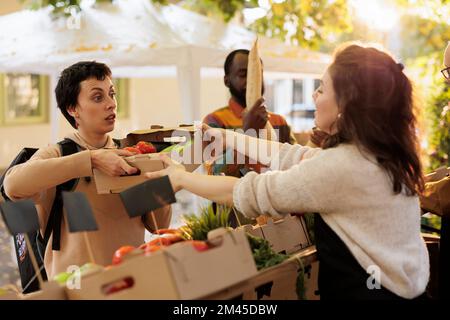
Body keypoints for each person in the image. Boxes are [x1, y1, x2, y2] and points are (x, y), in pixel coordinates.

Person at [147, 44, 430, 300]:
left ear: (346, 104)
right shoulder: (378, 154)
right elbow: (291, 155)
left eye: (321, 88)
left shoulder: (344, 165)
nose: (314, 94)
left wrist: (180, 177)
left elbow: (251, 192)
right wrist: (226, 137)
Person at [3, 61, 171, 279]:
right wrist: (91, 159)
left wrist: (162, 180)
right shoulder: (59, 153)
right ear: (73, 109)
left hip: (130, 282)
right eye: (98, 97)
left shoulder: (130, 155)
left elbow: (158, 226)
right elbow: (12, 185)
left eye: (112, 94)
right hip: (76, 287)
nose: (111, 104)